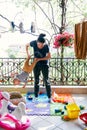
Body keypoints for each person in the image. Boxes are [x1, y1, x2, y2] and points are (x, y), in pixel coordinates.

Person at [26, 33, 52, 103]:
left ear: (44, 44)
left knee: (46, 81)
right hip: (36, 65)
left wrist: (40, 59)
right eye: (39, 44)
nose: (40, 46)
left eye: (41, 45)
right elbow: (26, 45)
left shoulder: (46, 46)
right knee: (36, 81)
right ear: (37, 42)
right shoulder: (34, 43)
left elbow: (49, 57)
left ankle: (49, 98)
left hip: (44, 65)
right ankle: (36, 97)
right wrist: (28, 54)